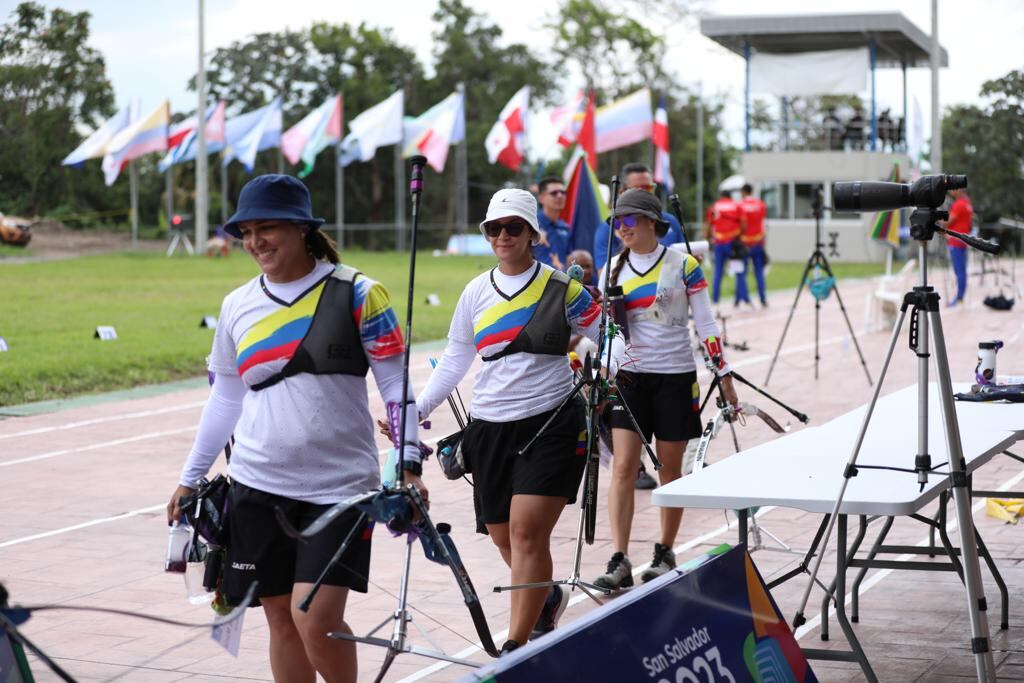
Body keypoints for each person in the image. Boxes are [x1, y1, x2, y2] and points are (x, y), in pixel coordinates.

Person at [166, 174, 426, 683]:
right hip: (256, 488)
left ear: (303, 230)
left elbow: (396, 387)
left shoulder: (360, 294)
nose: (256, 242)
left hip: (341, 491)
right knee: (282, 622)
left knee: (317, 621)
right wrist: (190, 477)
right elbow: (225, 397)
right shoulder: (237, 305)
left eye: (268, 228)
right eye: (246, 232)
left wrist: (410, 463)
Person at [417, 188, 618, 655]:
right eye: (494, 228)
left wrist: (609, 366)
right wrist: (417, 409)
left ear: (532, 234)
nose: (502, 236)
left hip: (549, 423)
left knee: (528, 533)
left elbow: (607, 333)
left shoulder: (562, 287)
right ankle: (546, 597)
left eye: (513, 228)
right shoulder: (475, 292)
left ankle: (516, 646)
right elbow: (454, 359)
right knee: (506, 537)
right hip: (488, 427)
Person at [594, 189, 738, 590]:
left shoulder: (684, 264)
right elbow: (606, 331)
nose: (620, 228)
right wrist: (605, 369)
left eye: (628, 220)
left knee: (669, 469)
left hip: (675, 377)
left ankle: (664, 549)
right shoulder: (611, 268)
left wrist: (723, 373)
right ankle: (619, 558)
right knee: (623, 466)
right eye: (615, 222)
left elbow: (706, 324)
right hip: (630, 379)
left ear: (651, 223)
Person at [592, 163, 684, 273]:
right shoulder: (607, 228)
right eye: (638, 189)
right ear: (622, 192)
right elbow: (605, 275)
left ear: (652, 222)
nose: (622, 228)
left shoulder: (671, 221)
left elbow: (684, 261)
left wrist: (688, 264)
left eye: (649, 188)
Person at [704, 189, 745, 305]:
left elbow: (708, 225)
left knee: (718, 271)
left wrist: (708, 239)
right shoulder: (737, 206)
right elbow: (744, 224)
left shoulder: (714, 207)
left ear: (721, 196)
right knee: (738, 270)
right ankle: (739, 299)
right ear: (730, 196)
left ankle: (715, 299)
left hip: (719, 242)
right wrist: (738, 237)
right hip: (733, 243)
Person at [739, 184, 769, 307]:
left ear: (743, 192)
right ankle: (762, 298)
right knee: (759, 272)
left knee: (742, 272)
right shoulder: (761, 205)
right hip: (758, 242)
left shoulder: (740, 205)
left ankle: (746, 299)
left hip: (744, 242)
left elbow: (740, 224)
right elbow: (764, 224)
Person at [943, 187, 973, 307]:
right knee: (961, 270)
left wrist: (936, 217)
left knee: (959, 270)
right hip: (962, 240)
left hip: (955, 241)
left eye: (952, 189)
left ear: (959, 190)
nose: (950, 191)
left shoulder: (959, 204)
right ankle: (960, 297)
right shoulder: (967, 203)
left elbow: (948, 221)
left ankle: (959, 298)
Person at [535, 177, 571, 270]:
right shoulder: (532, 225)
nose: (560, 196)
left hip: (563, 280)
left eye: (563, 192)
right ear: (541, 198)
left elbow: (568, 259)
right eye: (554, 193)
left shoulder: (565, 227)